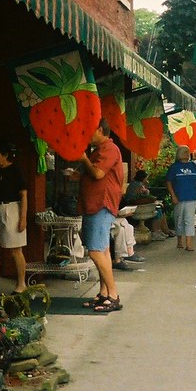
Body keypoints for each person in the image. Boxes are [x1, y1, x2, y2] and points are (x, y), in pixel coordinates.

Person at [78, 120, 124, 312]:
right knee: (102, 250)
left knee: (96, 251)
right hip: (95, 203)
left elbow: (97, 173)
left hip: (100, 203)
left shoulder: (109, 148)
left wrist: (83, 159)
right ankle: (104, 292)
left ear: (100, 130)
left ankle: (113, 294)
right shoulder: (101, 149)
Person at [0, 141, 28, 293]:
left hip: (11, 208)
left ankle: (21, 283)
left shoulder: (15, 170)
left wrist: (23, 218)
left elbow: (24, 195)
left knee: (15, 249)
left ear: (5, 155)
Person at [166, 145, 196, 251]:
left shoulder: (193, 165)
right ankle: (179, 240)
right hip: (179, 196)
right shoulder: (174, 167)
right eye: (185, 152)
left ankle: (189, 243)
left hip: (192, 196)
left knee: (189, 219)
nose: (187, 154)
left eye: (188, 152)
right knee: (179, 219)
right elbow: (169, 182)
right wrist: (173, 195)